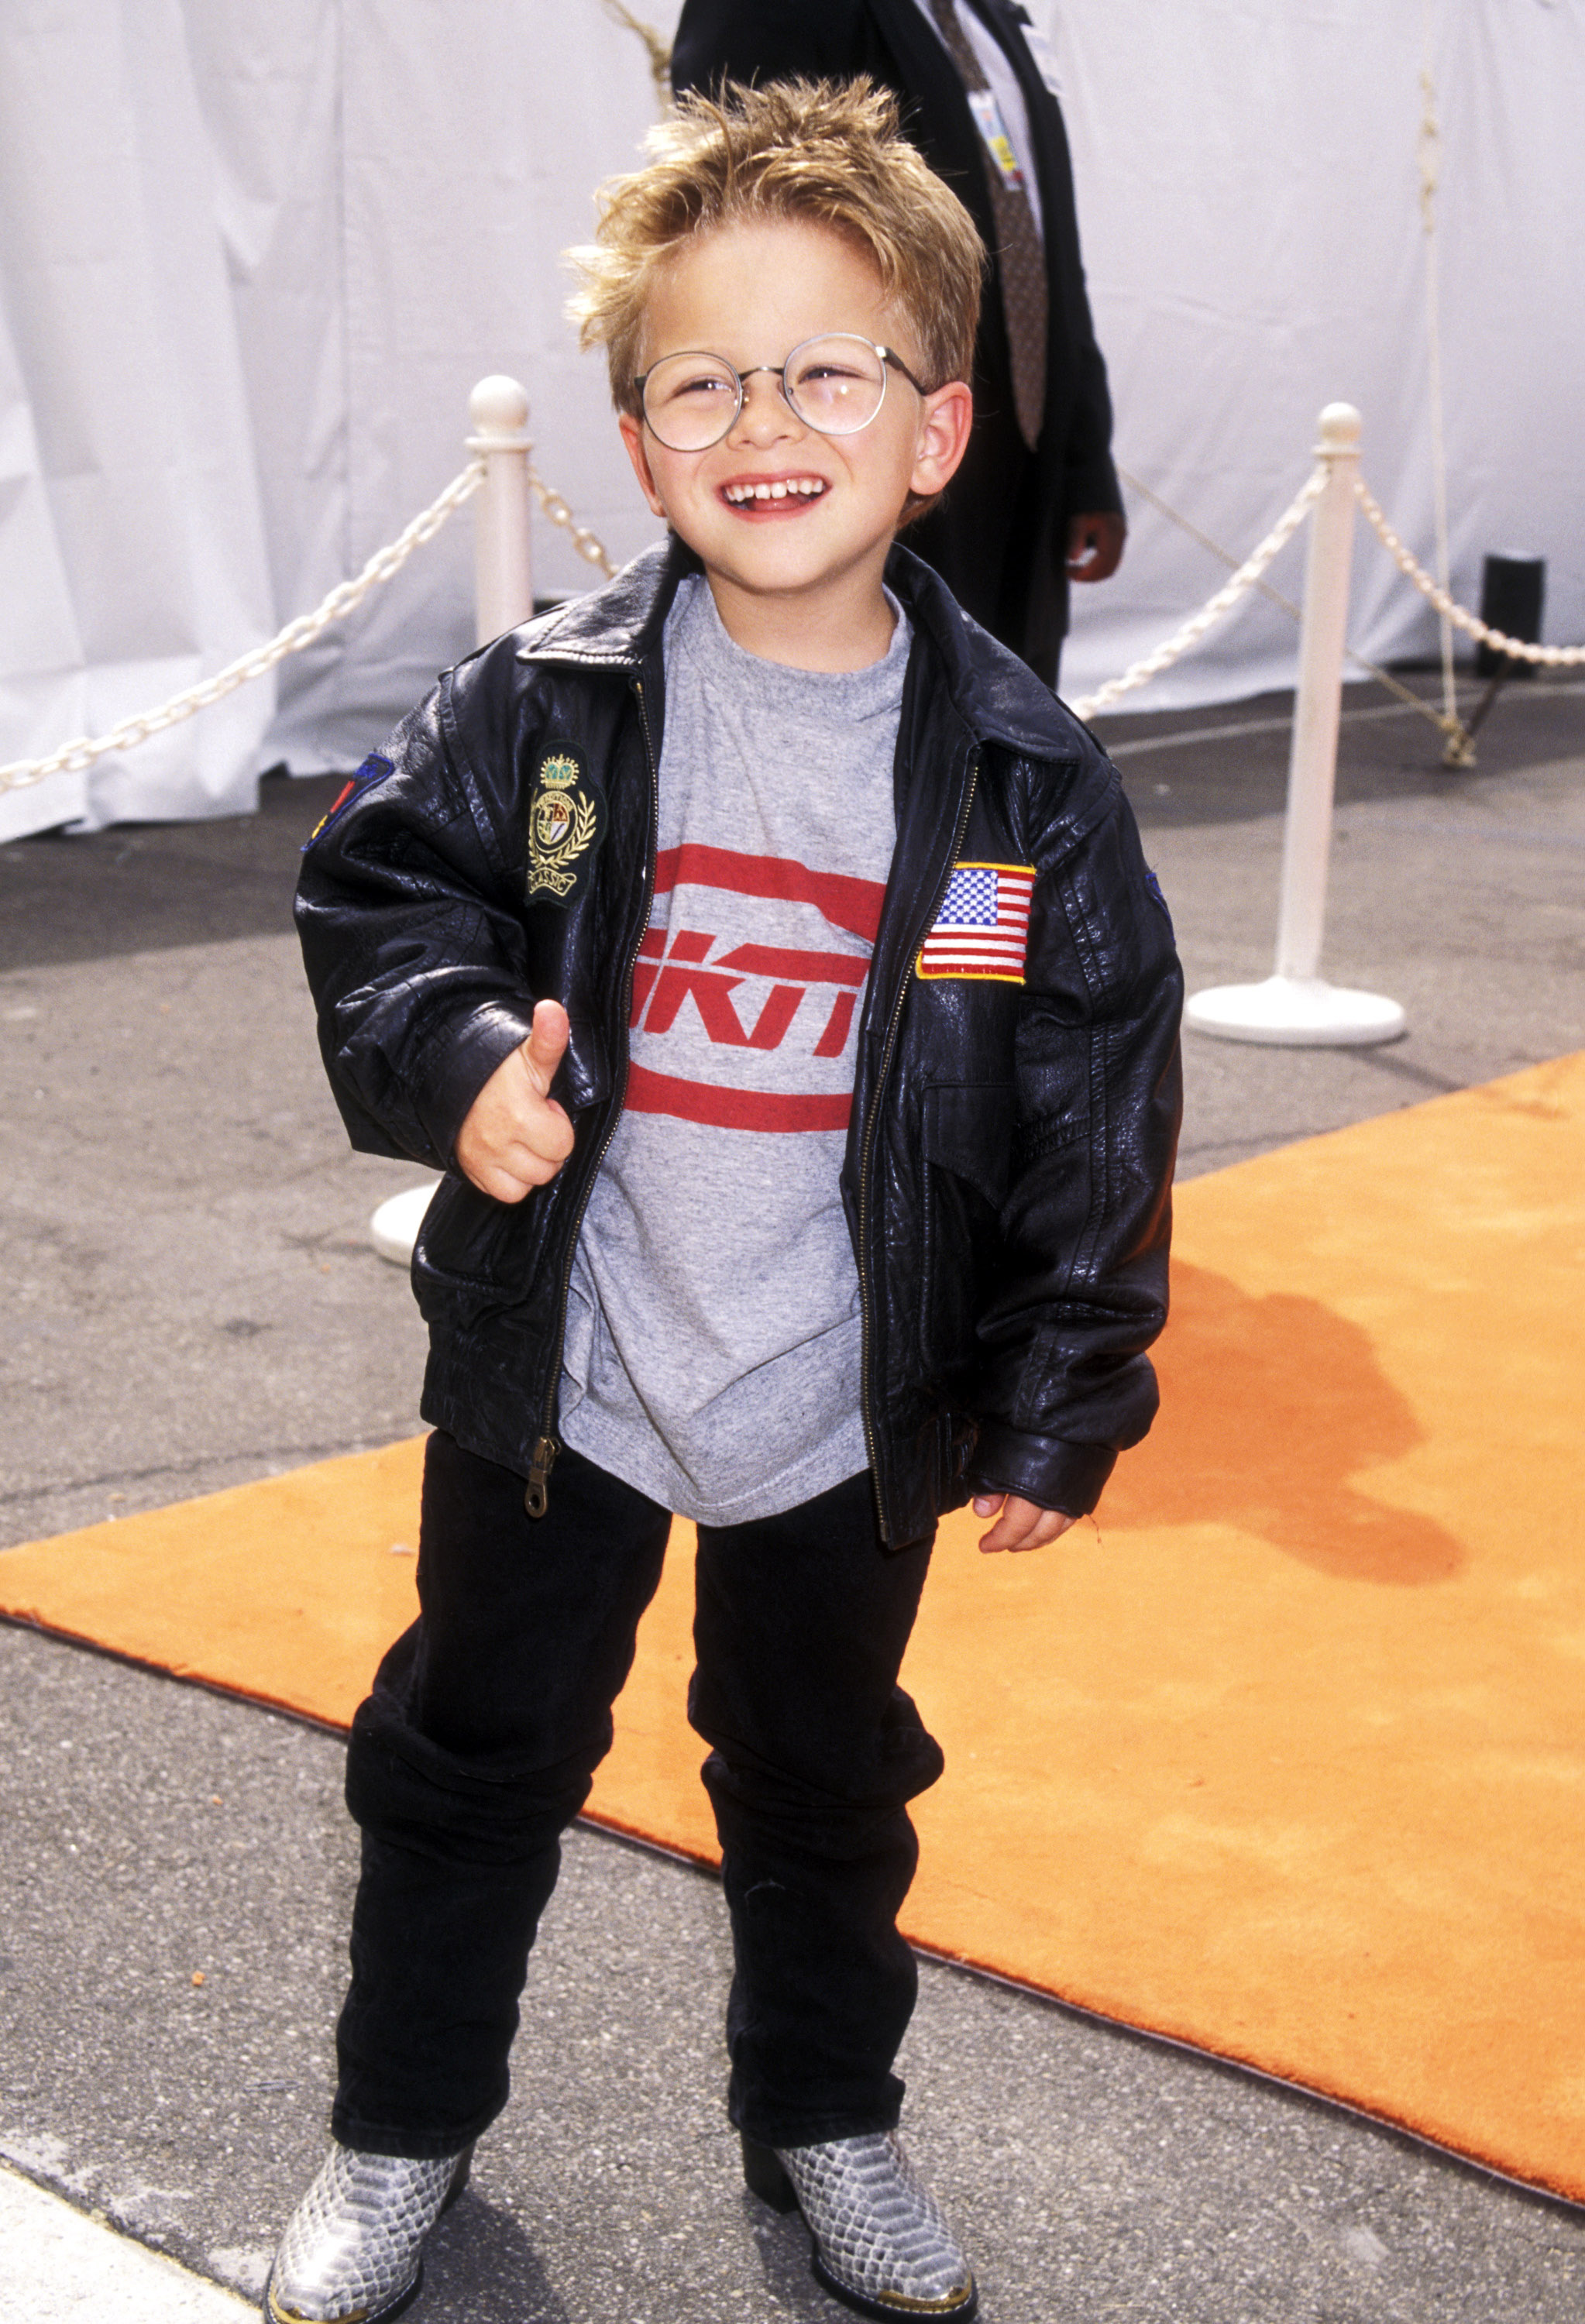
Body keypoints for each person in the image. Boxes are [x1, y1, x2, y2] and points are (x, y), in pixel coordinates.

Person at [266, 78, 1180, 2324]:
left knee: (819, 1788)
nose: (765, 415)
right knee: (467, 1762)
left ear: (937, 428)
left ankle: (823, 2123)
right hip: (556, 1377)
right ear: (638, 434)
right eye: (704, 376)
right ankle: (398, 2140)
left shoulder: (1020, 786)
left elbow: (1090, 1095)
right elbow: (386, 909)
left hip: (839, 1408)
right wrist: (463, 1056)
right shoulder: (543, 706)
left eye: (827, 366)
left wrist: (1060, 1393)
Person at [671, 0, 1126, 689]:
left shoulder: (997, 17)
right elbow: (738, 217)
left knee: (1010, 737)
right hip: (864, 444)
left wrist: (1084, 462)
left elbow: (1048, 245)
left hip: (1021, 452)